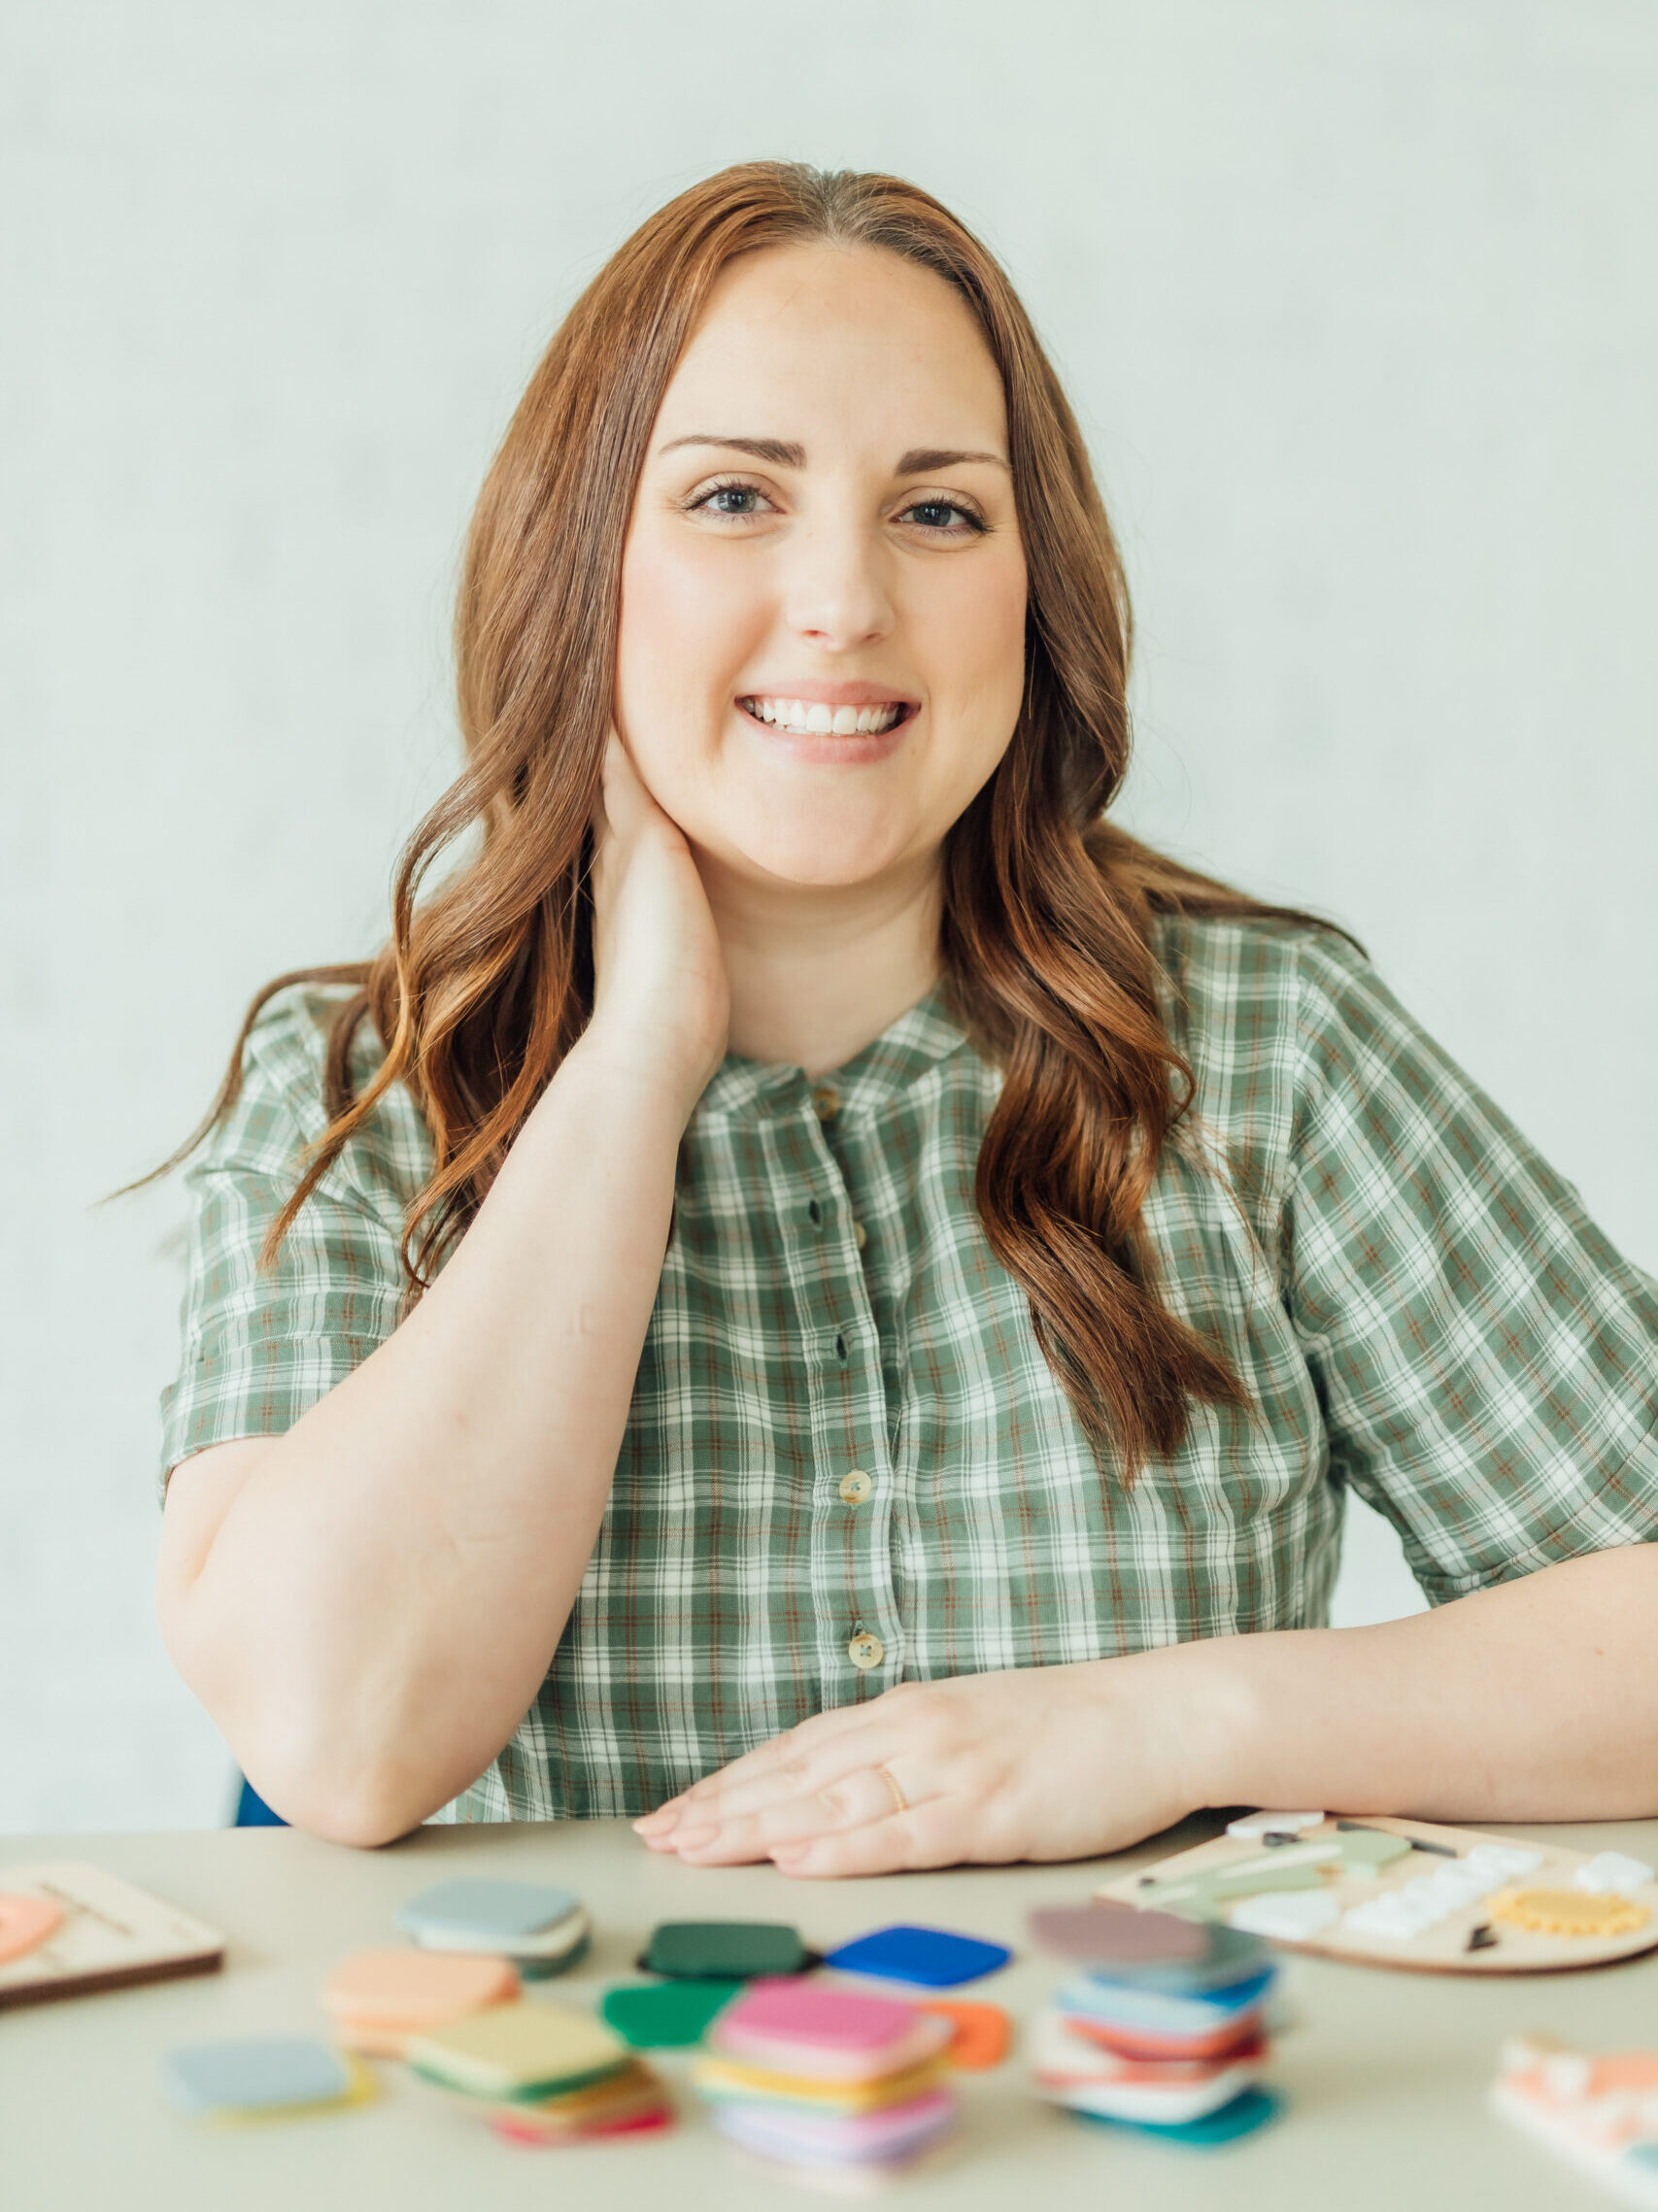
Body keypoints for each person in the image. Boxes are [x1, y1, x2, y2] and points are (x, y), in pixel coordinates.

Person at [147, 161, 1658, 1871]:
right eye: (733, 497)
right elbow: (335, 1738)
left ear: (1035, 590)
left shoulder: (1267, 1043)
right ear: (581, 564)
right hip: (576, 2123)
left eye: (938, 511)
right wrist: (639, 1055)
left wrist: (1162, 1721)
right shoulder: (362, 1087)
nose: (844, 601)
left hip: (1148, 2116)